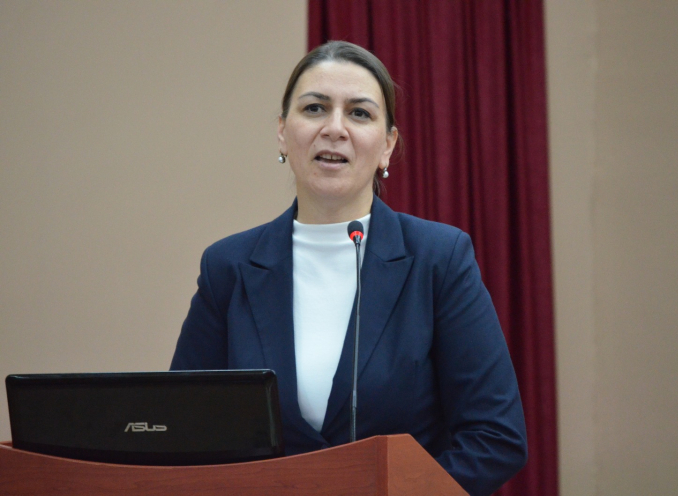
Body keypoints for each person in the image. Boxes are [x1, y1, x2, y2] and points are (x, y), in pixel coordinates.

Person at [170, 41, 527, 496]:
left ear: (387, 145)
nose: (334, 128)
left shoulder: (439, 259)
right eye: (315, 108)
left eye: (359, 113)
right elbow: (182, 431)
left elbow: (495, 437)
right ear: (282, 133)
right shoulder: (228, 267)